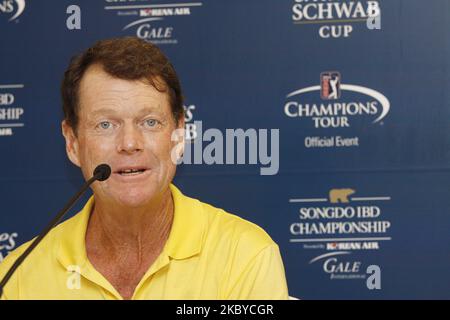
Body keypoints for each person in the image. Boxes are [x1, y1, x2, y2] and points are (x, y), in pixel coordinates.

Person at [0, 37, 289, 300]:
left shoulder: (245, 256)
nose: (129, 143)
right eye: (106, 125)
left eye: (150, 122)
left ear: (179, 135)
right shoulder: (18, 276)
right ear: (72, 142)